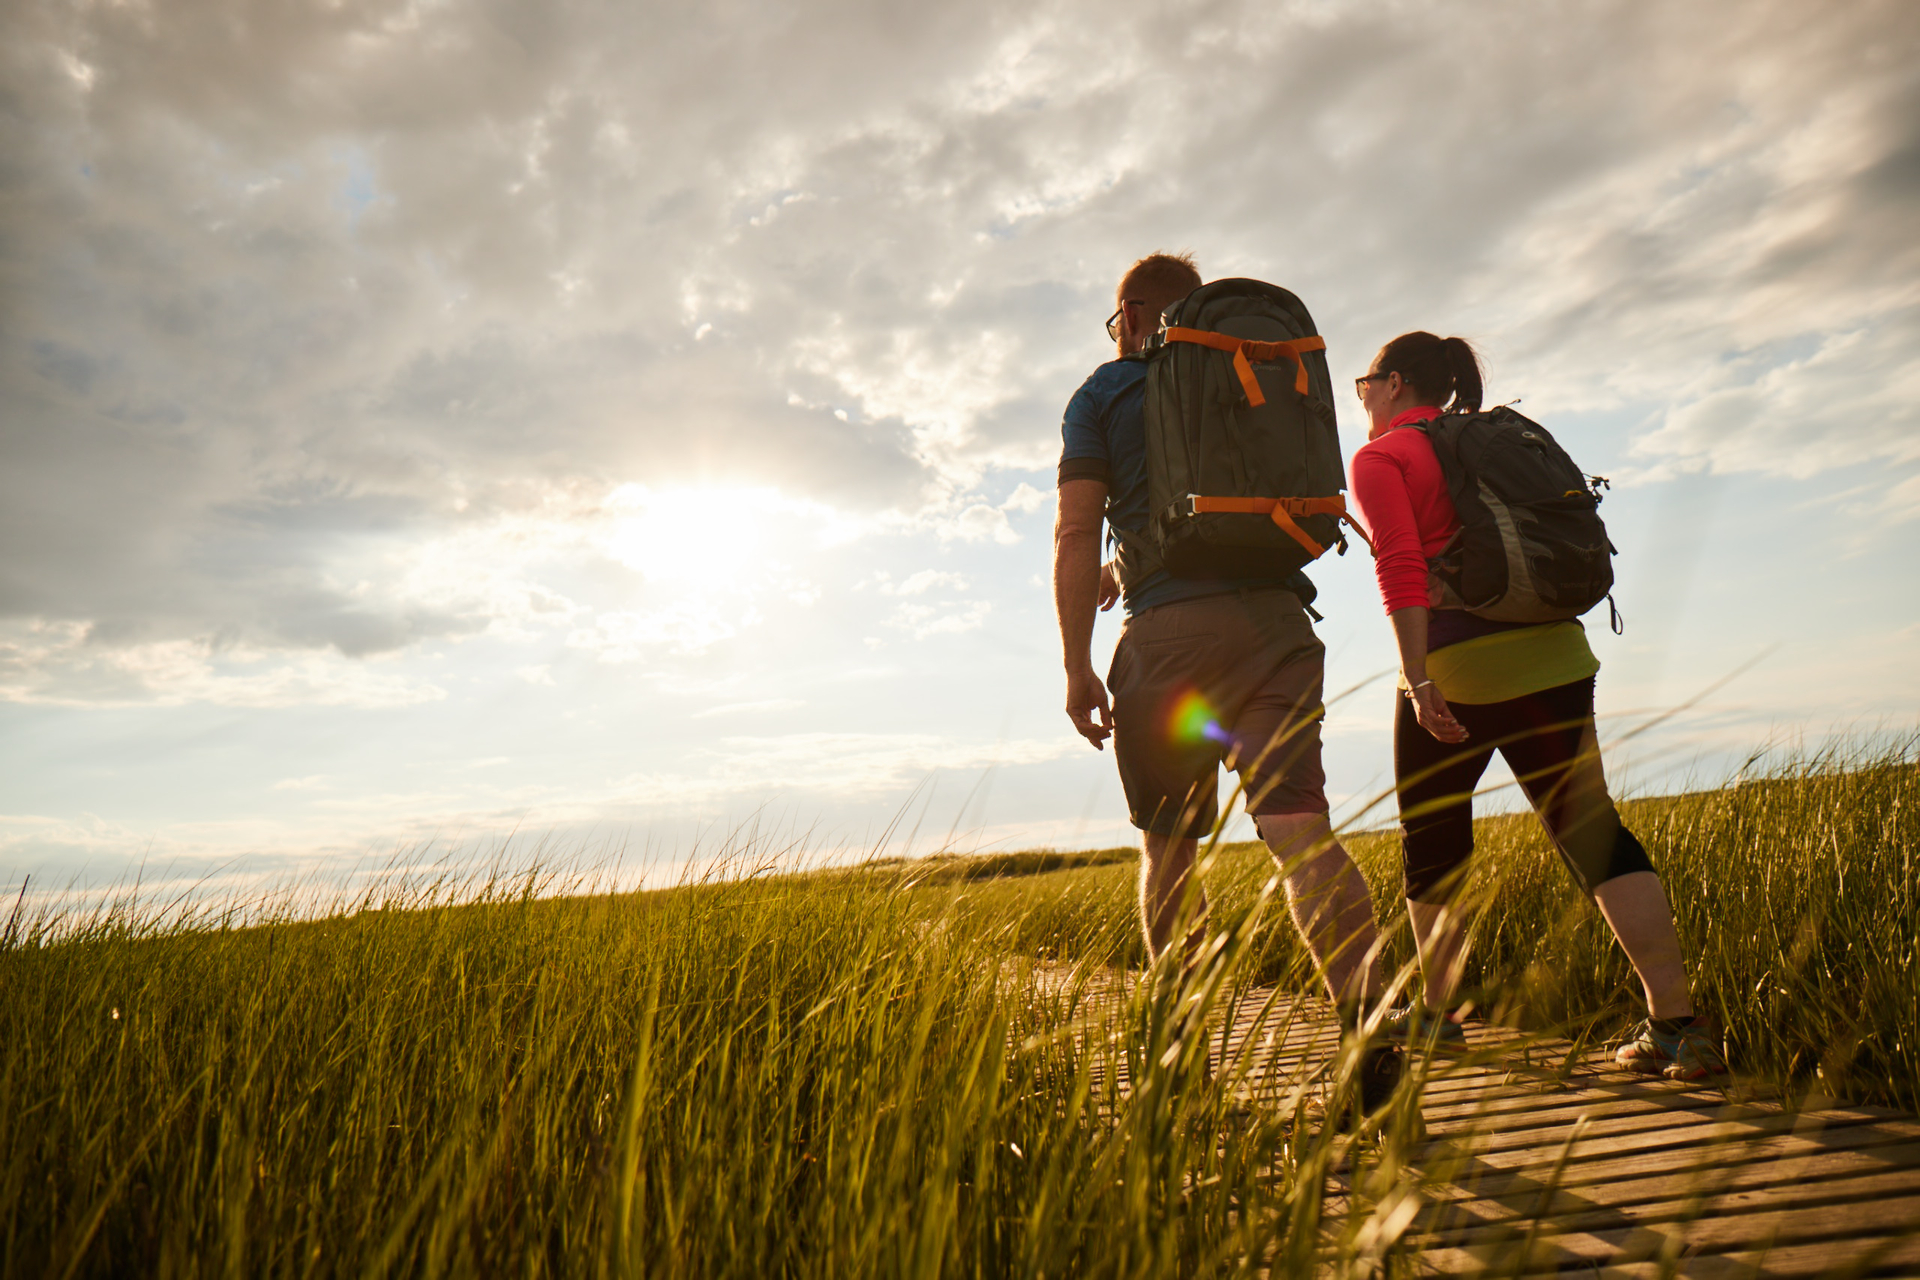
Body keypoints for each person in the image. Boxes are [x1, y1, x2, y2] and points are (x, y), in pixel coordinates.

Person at [1348, 330, 1727, 1081]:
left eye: (1364, 385)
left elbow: (1399, 566)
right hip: (1556, 653)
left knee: (1434, 841)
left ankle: (1437, 1016)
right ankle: (1679, 1028)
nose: (1361, 400)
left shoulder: (1383, 457)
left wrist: (1420, 679)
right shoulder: (1490, 442)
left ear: (1393, 385)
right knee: (1592, 832)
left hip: (1458, 668)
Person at [1052, 252, 1388, 1055]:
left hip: (1170, 645)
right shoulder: (1246, 377)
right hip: (1278, 626)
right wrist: (1122, 562)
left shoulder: (1104, 391)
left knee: (1170, 851)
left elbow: (1074, 528)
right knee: (1303, 832)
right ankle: (1371, 1027)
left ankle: (1186, 1063)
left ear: (1131, 316)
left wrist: (1076, 666)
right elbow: (1204, 490)